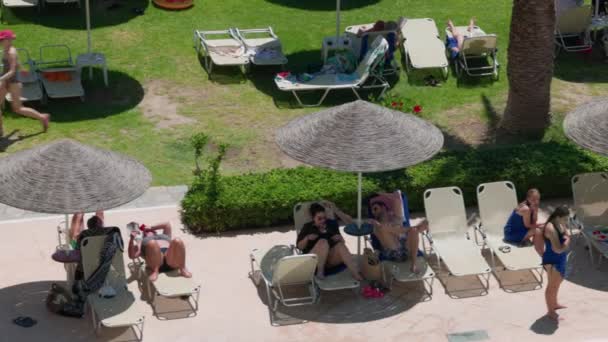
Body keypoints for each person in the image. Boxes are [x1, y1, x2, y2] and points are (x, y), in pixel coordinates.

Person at [0, 29, 50, 137]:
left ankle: (42, 117)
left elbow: (12, 70)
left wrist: (1, 78)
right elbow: (16, 64)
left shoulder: (11, 52)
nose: (1, 42)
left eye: (2, 40)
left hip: (13, 83)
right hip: (5, 81)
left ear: (8, 40)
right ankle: (0, 131)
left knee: (17, 108)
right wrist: (22, 68)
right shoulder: (6, 49)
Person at [296, 202, 363, 281]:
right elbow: (299, 246)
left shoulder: (331, 224)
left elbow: (342, 243)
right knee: (323, 242)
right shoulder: (308, 227)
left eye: (324, 218)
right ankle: (320, 272)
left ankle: (356, 274)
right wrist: (307, 238)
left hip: (330, 260)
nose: (323, 220)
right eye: (319, 218)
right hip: (314, 261)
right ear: (313, 218)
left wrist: (340, 238)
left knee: (340, 246)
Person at [367, 194, 428, 273]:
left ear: (384, 207)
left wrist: (381, 194)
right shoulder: (374, 223)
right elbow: (380, 228)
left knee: (420, 226)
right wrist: (406, 230)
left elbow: (397, 199)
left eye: (375, 208)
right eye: (372, 210)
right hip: (393, 253)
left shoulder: (395, 218)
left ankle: (413, 264)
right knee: (384, 228)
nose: (373, 212)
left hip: (407, 250)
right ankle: (412, 229)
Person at [128, 221, 192, 282]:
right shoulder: (141, 241)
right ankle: (155, 271)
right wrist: (131, 239)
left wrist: (151, 227)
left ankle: (183, 268)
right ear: (143, 234)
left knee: (177, 240)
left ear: (155, 231)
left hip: (171, 259)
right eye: (145, 232)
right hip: (155, 262)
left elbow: (167, 224)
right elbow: (132, 256)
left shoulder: (164, 235)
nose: (148, 231)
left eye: (150, 230)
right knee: (152, 243)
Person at [541, 206, 571, 321]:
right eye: (565, 219)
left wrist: (566, 235)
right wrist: (568, 240)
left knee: (556, 284)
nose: (566, 222)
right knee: (551, 286)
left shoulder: (559, 223)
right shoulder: (550, 228)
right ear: (558, 217)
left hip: (559, 258)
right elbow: (557, 249)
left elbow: (565, 232)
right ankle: (550, 311)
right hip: (552, 260)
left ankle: (554, 304)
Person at [504, 188, 545, 255]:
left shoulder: (533, 206)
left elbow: (534, 222)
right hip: (511, 233)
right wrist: (543, 224)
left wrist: (535, 211)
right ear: (528, 199)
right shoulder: (526, 209)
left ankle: (537, 250)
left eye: (538, 199)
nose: (536, 201)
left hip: (521, 230)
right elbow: (528, 225)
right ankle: (541, 253)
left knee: (540, 229)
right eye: (533, 199)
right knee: (538, 230)